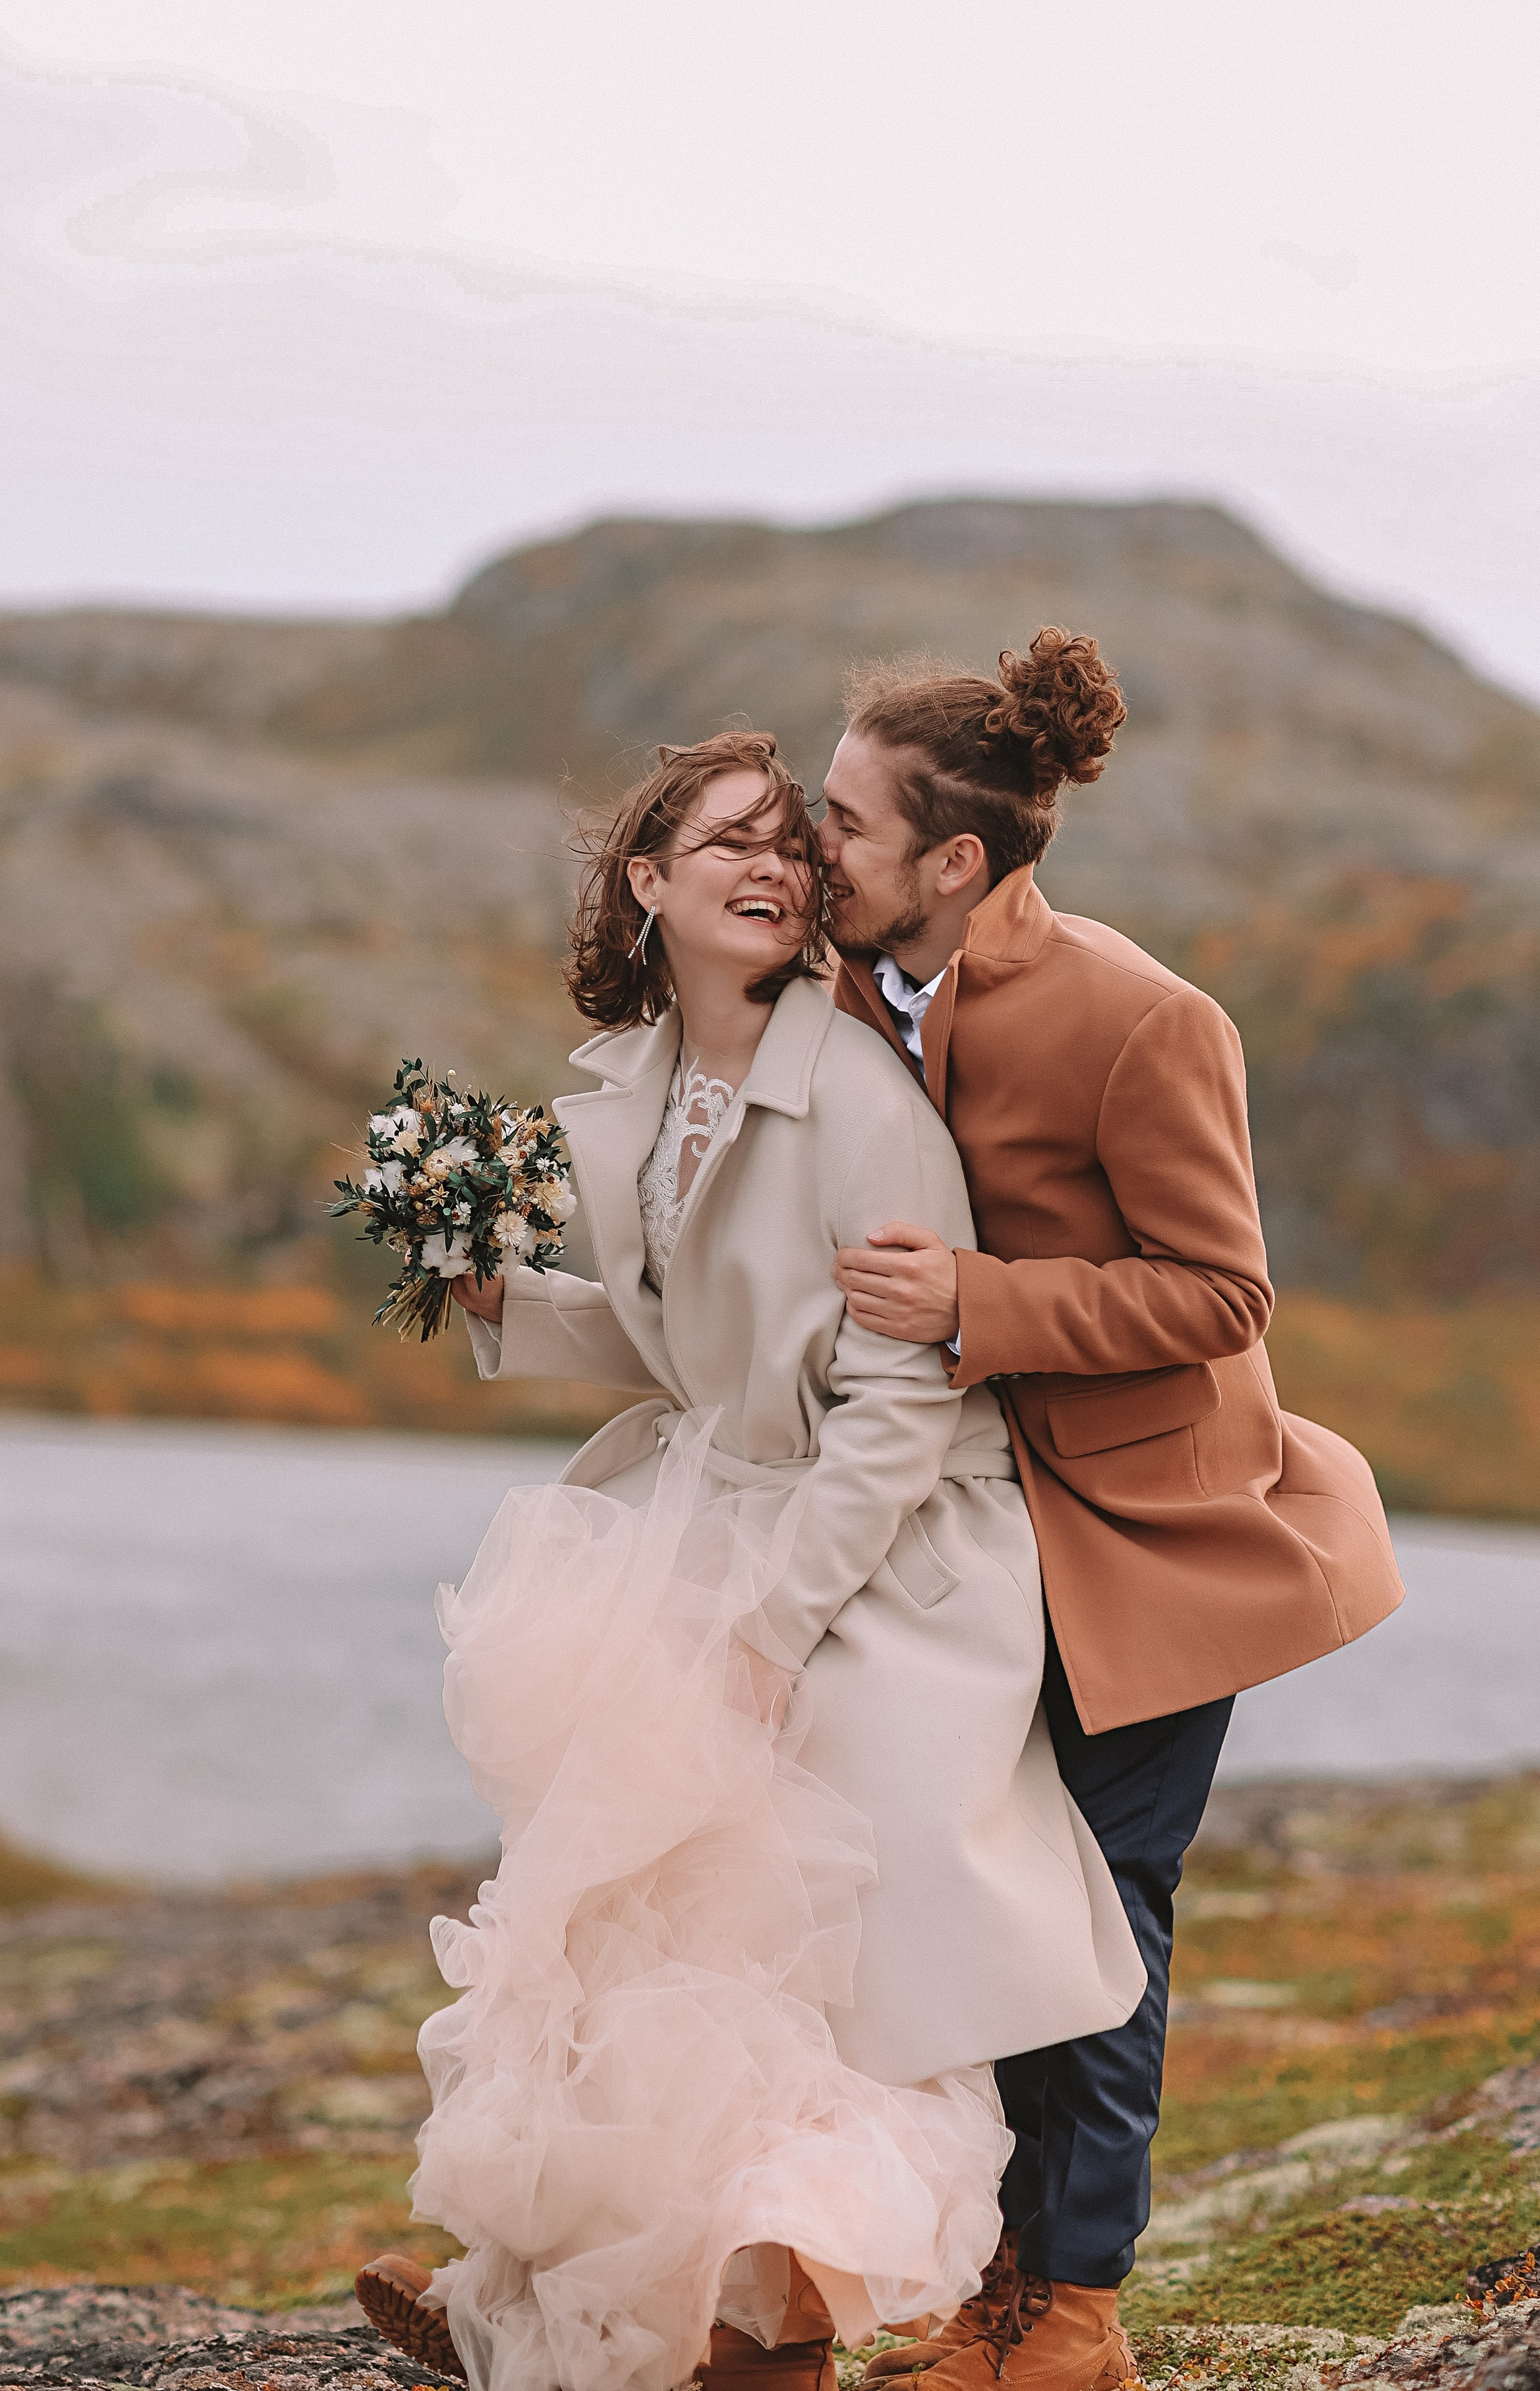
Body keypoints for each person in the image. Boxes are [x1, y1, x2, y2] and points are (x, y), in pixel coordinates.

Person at [354, 731, 1147, 2391]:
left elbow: (896, 1408)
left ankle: (762, 2318)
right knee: (615, 1914)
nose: (774, 867)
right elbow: (687, 1346)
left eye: (792, 844)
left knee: (789, 1932)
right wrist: (512, 1304)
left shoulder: (856, 1094)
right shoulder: (641, 1081)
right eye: (728, 843)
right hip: (722, 1512)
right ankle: (565, 2291)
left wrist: (775, 1633)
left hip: (885, 1548)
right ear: (649, 883)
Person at [818, 630, 1407, 2391]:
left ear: (954, 862)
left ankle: (1079, 2314)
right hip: (968, 1544)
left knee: (1106, 1909)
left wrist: (985, 1304)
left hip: (1158, 1543)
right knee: (961, 1902)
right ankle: (988, 2285)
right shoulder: (844, 997)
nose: (805, 845)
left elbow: (1224, 1295)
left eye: (841, 822)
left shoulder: (1148, 1016)